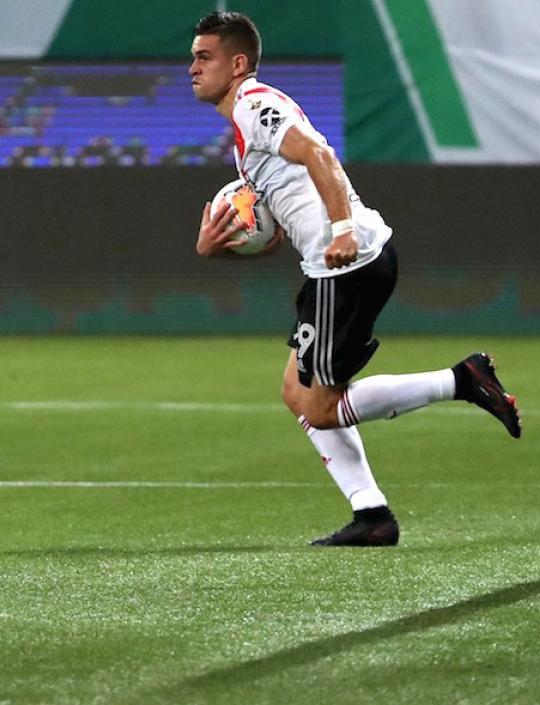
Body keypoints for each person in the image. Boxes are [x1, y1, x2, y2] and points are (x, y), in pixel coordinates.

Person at [189, 11, 521, 546]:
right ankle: (372, 515)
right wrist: (216, 249)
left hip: (346, 264)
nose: (193, 68)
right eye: (193, 57)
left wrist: (341, 228)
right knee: (297, 393)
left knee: (318, 406)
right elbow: (273, 234)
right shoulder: (244, 133)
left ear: (238, 63)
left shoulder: (256, 106)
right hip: (337, 266)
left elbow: (319, 154)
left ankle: (461, 380)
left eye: (204, 57)